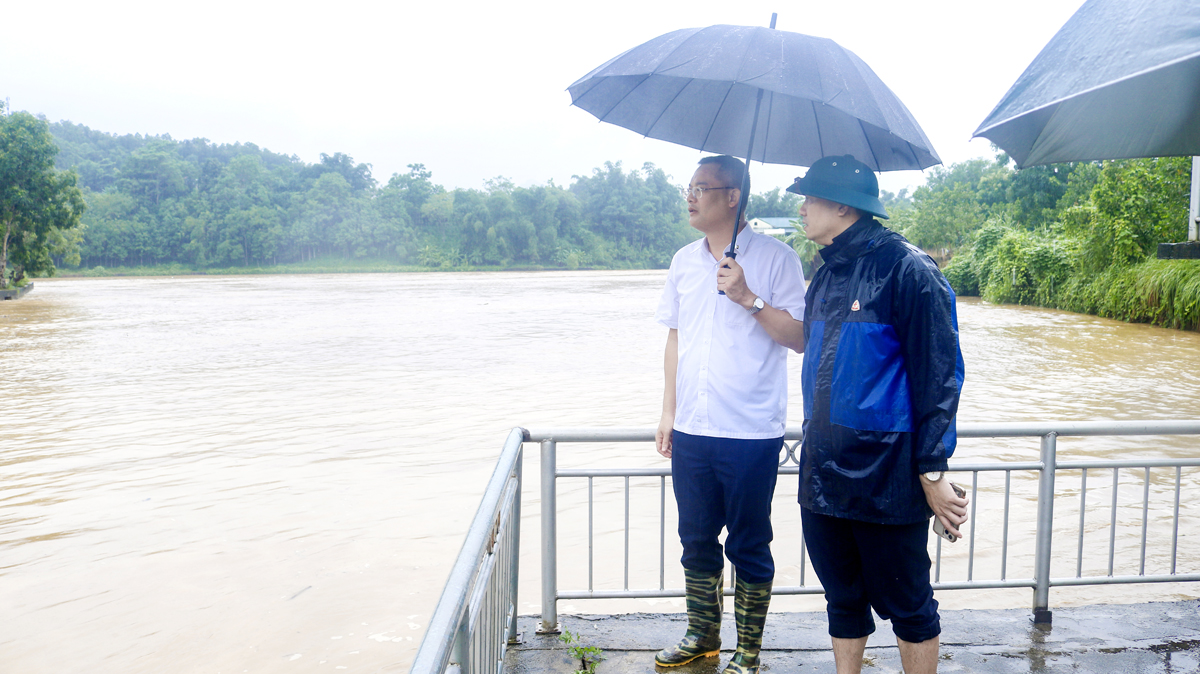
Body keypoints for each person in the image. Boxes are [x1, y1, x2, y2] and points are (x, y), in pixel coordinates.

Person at [788, 154, 967, 674]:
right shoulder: (824, 274)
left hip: (886, 474)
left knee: (908, 603)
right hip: (822, 470)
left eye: (810, 198)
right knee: (842, 597)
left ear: (842, 205)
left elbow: (940, 375)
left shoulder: (908, 270)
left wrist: (932, 470)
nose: (801, 208)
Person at [654, 155, 807, 674]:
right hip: (692, 430)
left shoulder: (777, 259)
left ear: (734, 195)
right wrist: (668, 411)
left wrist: (748, 296)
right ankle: (702, 635)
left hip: (750, 431)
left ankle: (749, 649)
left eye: (702, 187)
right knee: (695, 537)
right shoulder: (682, 261)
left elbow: (801, 338)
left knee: (749, 541)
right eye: (689, 187)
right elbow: (676, 339)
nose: (691, 197)